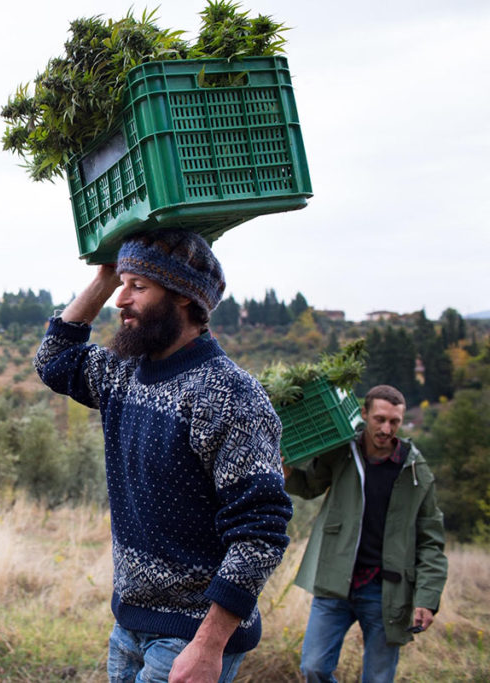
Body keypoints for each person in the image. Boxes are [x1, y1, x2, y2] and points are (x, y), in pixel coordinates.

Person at [34, 229, 293, 683]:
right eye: (123, 285)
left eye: (138, 287)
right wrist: (105, 277)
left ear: (182, 299)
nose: (121, 300)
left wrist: (209, 645)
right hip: (130, 625)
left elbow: (260, 534)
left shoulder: (230, 396)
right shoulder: (124, 373)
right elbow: (54, 360)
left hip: (190, 636)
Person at [284, 384, 447, 683]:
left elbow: (431, 539)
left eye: (394, 421)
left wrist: (427, 597)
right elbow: (310, 487)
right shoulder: (342, 451)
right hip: (335, 580)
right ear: (364, 414)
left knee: (378, 679)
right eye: (380, 419)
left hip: (387, 590)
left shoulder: (415, 470)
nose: (387, 428)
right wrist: (289, 475)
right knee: (314, 667)